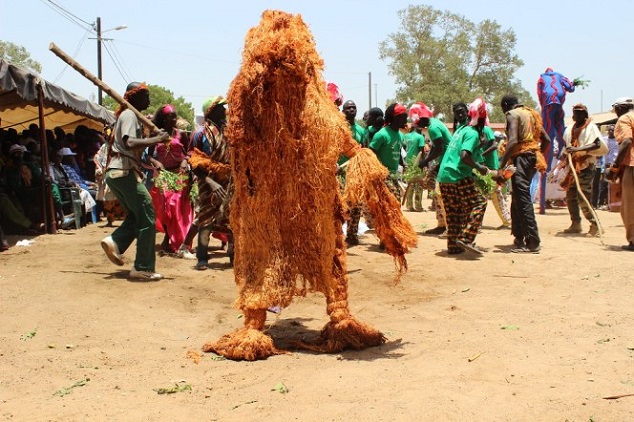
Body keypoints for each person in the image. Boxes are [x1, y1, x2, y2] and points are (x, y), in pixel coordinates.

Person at [100, 82, 170, 281]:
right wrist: (157, 140)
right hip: (123, 172)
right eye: (145, 95)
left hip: (119, 174)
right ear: (134, 97)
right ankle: (143, 267)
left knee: (137, 215)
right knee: (148, 215)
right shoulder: (129, 114)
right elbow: (130, 142)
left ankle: (115, 242)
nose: (148, 99)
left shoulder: (132, 116)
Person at [499, 94, 550, 253]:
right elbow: (546, 140)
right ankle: (519, 236)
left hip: (520, 158)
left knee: (522, 199)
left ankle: (533, 241)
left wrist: (501, 164)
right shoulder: (532, 114)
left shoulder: (512, 114)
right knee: (517, 197)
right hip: (532, 158)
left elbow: (513, 141)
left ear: (506, 105)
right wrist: (535, 152)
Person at [437, 101, 489, 255]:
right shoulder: (472, 132)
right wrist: (479, 167)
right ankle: (466, 238)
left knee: (454, 211)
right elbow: (464, 155)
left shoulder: (461, 130)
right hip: (458, 175)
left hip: (444, 176)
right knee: (479, 203)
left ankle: (454, 246)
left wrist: (480, 145)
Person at [187, 96, 233, 270]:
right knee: (206, 218)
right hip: (209, 183)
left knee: (231, 219)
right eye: (221, 108)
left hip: (228, 182)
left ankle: (233, 255)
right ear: (212, 110)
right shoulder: (205, 133)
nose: (225, 111)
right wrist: (212, 183)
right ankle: (202, 257)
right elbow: (196, 162)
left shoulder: (227, 131)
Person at [149, 104, 194, 254]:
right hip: (164, 175)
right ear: (163, 118)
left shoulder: (181, 134)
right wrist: (156, 162)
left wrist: (184, 161)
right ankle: (168, 236)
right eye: (171, 117)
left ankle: (170, 238)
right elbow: (148, 155)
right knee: (165, 208)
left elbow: (189, 152)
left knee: (174, 206)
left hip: (179, 175)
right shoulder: (156, 134)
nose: (174, 119)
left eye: (175, 116)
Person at [558, 103, 607, 236]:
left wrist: (578, 149)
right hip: (573, 166)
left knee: (583, 196)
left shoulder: (591, 127)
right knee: (571, 196)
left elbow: (597, 143)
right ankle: (575, 223)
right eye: (575, 112)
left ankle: (595, 224)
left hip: (586, 165)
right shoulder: (570, 128)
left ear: (585, 114)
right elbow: (566, 145)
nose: (577, 115)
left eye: (580, 112)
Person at [416, 103, 454, 235]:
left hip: (448, 161)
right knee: (438, 193)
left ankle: (449, 226)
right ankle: (442, 224)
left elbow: (439, 148)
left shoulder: (433, 128)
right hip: (444, 160)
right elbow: (436, 147)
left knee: (440, 193)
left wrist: (425, 161)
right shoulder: (435, 123)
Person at [607, 97, 634, 250]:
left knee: (630, 206)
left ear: (619, 109)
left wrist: (614, 168)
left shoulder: (625, 119)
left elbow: (626, 142)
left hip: (632, 165)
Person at [339, 100, 366, 246]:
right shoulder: (338, 128)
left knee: (356, 204)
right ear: (343, 110)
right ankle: (337, 235)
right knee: (341, 205)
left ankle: (352, 234)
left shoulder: (361, 131)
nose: (351, 110)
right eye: (348, 108)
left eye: (354, 107)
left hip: (355, 172)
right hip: (339, 172)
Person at [368, 103, 407, 201]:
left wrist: (404, 164)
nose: (405, 120)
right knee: (394, 201)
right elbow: (370, 154)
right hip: (383, 176)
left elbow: (397, 153)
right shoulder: (381, 135)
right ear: (394, 118)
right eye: (403, 117)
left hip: (394, 175)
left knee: (395, 203)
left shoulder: (401, 136)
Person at [403, 103, 429, 212]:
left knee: (409, 185)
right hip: (417, 164)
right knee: (418, 186)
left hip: (408, 163)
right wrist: (424, 164)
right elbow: (421, 151)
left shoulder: (406, 136)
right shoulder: (420, 137)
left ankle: (409, 205)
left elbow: (403, 149)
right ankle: (418, 206)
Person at [598, 125, 618, 209]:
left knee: (615, 185)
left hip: (616, 164)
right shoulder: (604, 139)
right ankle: (600, 203)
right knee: (604, 185)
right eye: (609, 130)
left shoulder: (618, 140)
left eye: (612, 130)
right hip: (606, 164)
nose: (610, 131)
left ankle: (612, 203)